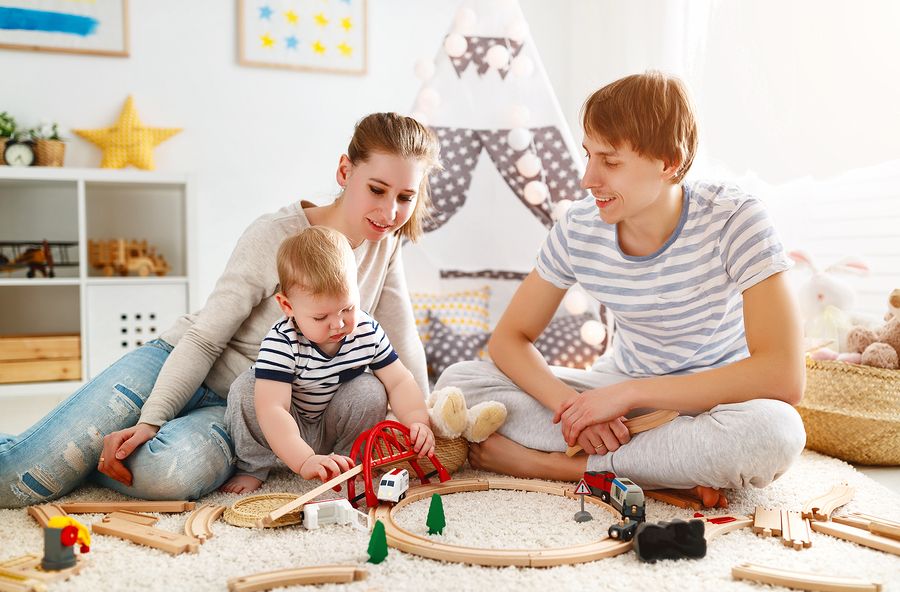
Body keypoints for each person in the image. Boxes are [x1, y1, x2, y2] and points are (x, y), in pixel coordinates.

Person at [0, 112, 440, 507]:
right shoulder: (275, 234)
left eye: (405, 197)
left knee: (165, 474)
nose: (389, 211)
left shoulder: (386, 247)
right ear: (345, 171)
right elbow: (206, 337)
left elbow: (402, 342)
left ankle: (92, 460)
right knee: (18, 478)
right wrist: (153, 419)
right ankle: (86, 451)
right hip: (178, 361)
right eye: (377, 189)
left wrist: (426, 427)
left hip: (244, 405)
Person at [436, 71, 807, 508]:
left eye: (610, 162)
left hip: (713, 402)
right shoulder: (579, 227)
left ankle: (561, 467)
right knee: (460, 381)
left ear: (669, 162)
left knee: (776, 432)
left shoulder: (735, 219)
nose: (588, 178)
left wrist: (631, 393)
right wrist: (575, 410)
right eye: (588, 155)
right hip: (621, 405)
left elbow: (783, 376)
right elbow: (509, 341)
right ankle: (666, 469)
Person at [221, 226, 435, 494]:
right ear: (288, 307)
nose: (338, 324)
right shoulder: (282, 341)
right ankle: (252, 467)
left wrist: (417, 420)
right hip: (287, 423)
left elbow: (400, 381)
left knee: (371, 388)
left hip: (331, 423)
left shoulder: (366, 331)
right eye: (321, 317)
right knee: (247, 388)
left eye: (348, 308)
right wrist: (304, 460)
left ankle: (349, 460)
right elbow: (272, 410)